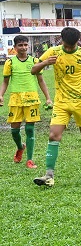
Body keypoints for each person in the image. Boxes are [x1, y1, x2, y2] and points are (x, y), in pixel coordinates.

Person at [31, 27, 81, 186]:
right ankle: (49, 175)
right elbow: (33, 70)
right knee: (53, 135)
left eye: (72, 46)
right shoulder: (53, 52)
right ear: (61, 40)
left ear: (78, 42)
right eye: (66, 45)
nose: (69, 49)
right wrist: (46, 63)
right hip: (61, 103)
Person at [0, 35, 52, 168]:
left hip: (32, 99)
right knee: (14, 131)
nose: (23, 47)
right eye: (20, 45)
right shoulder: (9, 63)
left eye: (25, 45)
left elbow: (41, 80)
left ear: (28, 46)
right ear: (15, 47)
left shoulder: (35, 61)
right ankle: (20, 147)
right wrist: (1, 95)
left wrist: (48, 98)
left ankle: (30, 159)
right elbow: (5, 82)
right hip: (15, 99)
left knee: (30, 129)